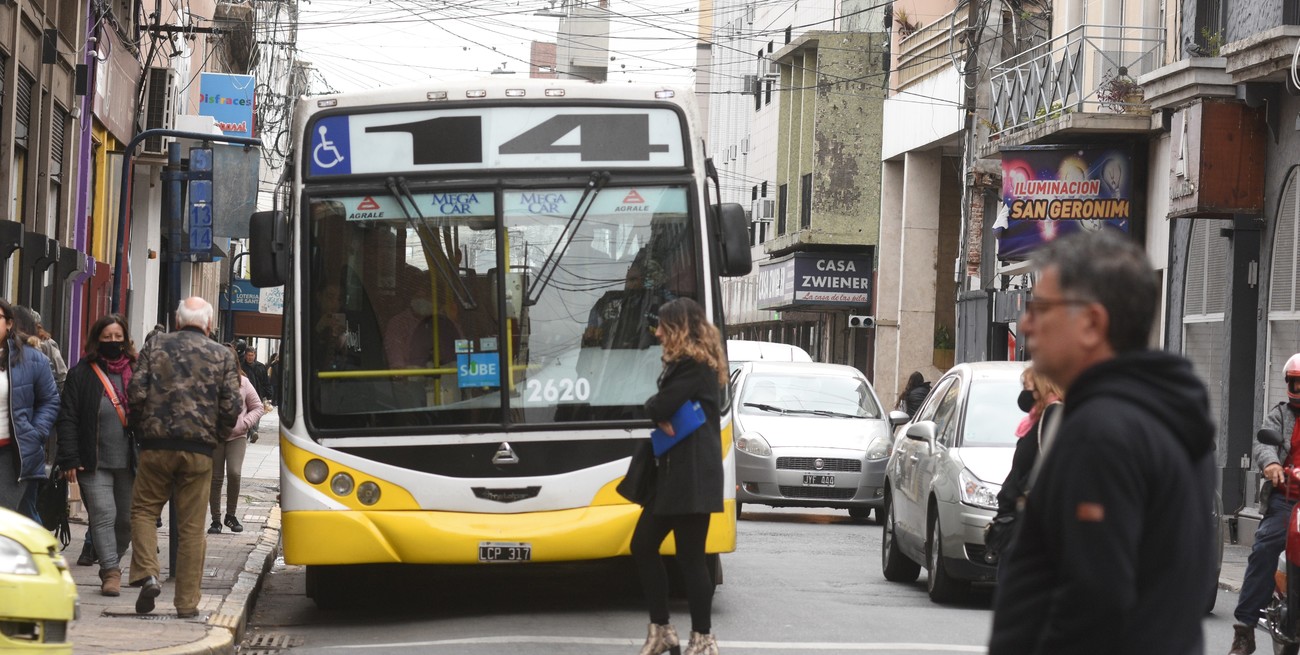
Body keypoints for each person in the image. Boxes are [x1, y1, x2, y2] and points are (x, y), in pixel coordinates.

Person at [987, 229, 1216, 654]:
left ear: (1092, 323)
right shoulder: (1165, 414)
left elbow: (1094, 600)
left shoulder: (1103, 432)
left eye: (1042, 308)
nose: (1025, 322)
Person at [126, 297, 241, 618]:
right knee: (192, 528)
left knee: (145, 511)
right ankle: (187, 603)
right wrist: (215, 437)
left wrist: (141, 430)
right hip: (199, 450)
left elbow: (135, 392)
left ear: (177, 321)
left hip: (156, 446)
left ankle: (148, 573)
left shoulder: (156, 345)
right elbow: (232, 406)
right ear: (209, 324)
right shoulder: (223, 355)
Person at [631, 297, 725, 655]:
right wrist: (661, 411)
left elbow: (659, 406)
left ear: (678, 330)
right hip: (676, 475)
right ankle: (665, 630)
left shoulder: (694, 367)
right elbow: (663, 408)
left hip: (690, 477)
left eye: (662, 326)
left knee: (689, 557)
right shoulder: (686, 367)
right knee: (645, 545)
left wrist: (660, 410)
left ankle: (701, 638)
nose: (656, 332)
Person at [56, 314, 138, 596]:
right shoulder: (82, 373)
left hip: (130, 462)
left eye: (118, 337)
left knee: (126, 521)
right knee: (104, 515)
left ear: (125, 340)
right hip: (93, 462)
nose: (113, 342)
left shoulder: (138, 371)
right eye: (107, 337)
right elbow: (67, 417)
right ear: (97, 340)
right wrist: (69, 457)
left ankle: (111, 558)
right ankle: (111, 571)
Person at [1228, 352, 1300, 654]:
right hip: (1287, 500)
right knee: (1264, 547)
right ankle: (1244, 630)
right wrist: (1271, 464)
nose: (1299, 391)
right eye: (1296, 385)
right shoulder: (1281, 415)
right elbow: (1262, 443)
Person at [985, 365, 1063, 578]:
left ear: (1041, 387)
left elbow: (1047, 465)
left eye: (1027, 386)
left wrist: (1019, 493)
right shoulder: (1036, 419)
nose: (1024, 393)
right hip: (1016, 518)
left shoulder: (1053, 414)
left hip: (1027, 521)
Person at [0, 299, 60, 513]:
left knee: (5, 516)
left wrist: (36, 433)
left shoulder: (33, 359)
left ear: (8, 323)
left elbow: (50, 400)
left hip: (11, 452)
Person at [208, 344, 265, 535]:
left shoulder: (244, 383)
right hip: (215, 436)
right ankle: (216, 520)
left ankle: (230, 515)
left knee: (234, 473)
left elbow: (257, 406)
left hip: (237, 436)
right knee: (215, 478)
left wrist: (245, 424)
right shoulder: (210, 382)